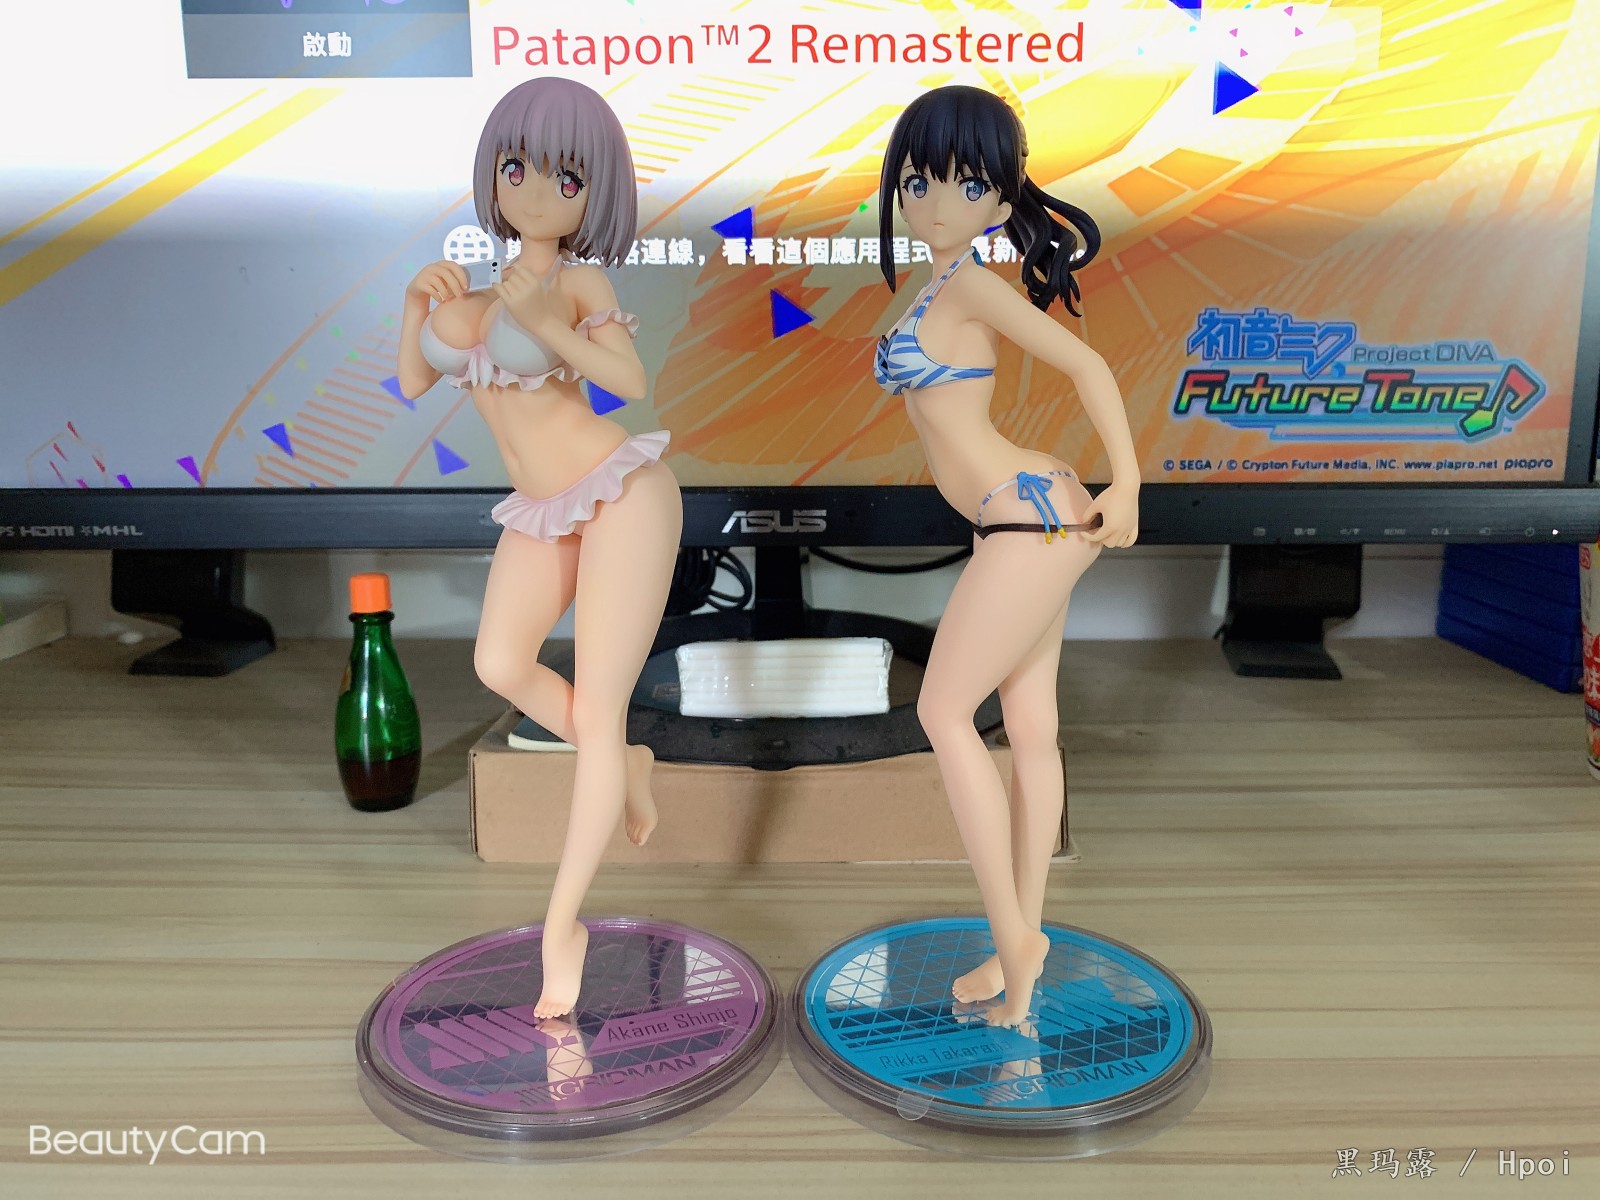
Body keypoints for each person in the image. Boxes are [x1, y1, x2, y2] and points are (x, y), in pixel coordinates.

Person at [397, 78, 682, 1019]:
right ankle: (623, 762)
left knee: (597, 708)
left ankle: (565, 928)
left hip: (621, 492)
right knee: (498, 663)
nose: (533, 191)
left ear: (593, 191)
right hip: (542, 506)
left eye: (565, 177)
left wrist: (551, 322)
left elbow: (626, 381)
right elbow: (414, 383)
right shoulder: (473, 293)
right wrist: (414, 305)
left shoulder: (577, 283)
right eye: (516, 167)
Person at [875, 85, 1140, 1027]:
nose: (937, 203)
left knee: (942, 710)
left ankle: (1016, 937)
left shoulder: (972, 284)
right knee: (1029, 730)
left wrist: (1129, 482)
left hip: (1028, 519)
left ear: (1000, 194)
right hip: (1023, 514)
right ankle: (1016, 947)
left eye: (967, 184)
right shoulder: (930, 284)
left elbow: (1087, 365)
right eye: (918, 183)